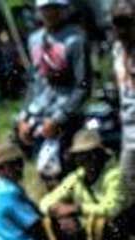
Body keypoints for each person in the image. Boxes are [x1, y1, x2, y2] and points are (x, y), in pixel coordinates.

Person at [38, 130, 132, 240]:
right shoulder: (77, 177)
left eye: (89, 155)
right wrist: (54, 208)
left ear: (99, 155)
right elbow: (46, 201)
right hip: (88, 230)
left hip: (116, 230)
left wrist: (78, 208)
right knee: (54, 218)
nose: (86, 160)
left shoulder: (114, 176)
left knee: (101, 222)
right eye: (80, 156)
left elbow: (112, 208)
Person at [15, 0, 90, 184]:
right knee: (45, 176)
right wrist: (24, 117)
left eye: (54, 8)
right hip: (40, 115)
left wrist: (59, 118)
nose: (50, 13)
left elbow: (83, 86)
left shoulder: (76, 39)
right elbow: (34, 82)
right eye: (46, 9)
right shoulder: (34, 40)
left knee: (68, 176)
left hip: (65, 118)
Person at [0, 141, 57, 240]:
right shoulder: (9, 193)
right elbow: (35, 226)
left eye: (20, 163)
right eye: (13, 165)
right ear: (0, 169)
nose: (20, 168)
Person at [114, 1, 135, 205]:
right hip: (129, 134)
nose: (121, 29)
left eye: (127, 22)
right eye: (116, 23)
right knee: (127, 189)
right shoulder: (118, 51)